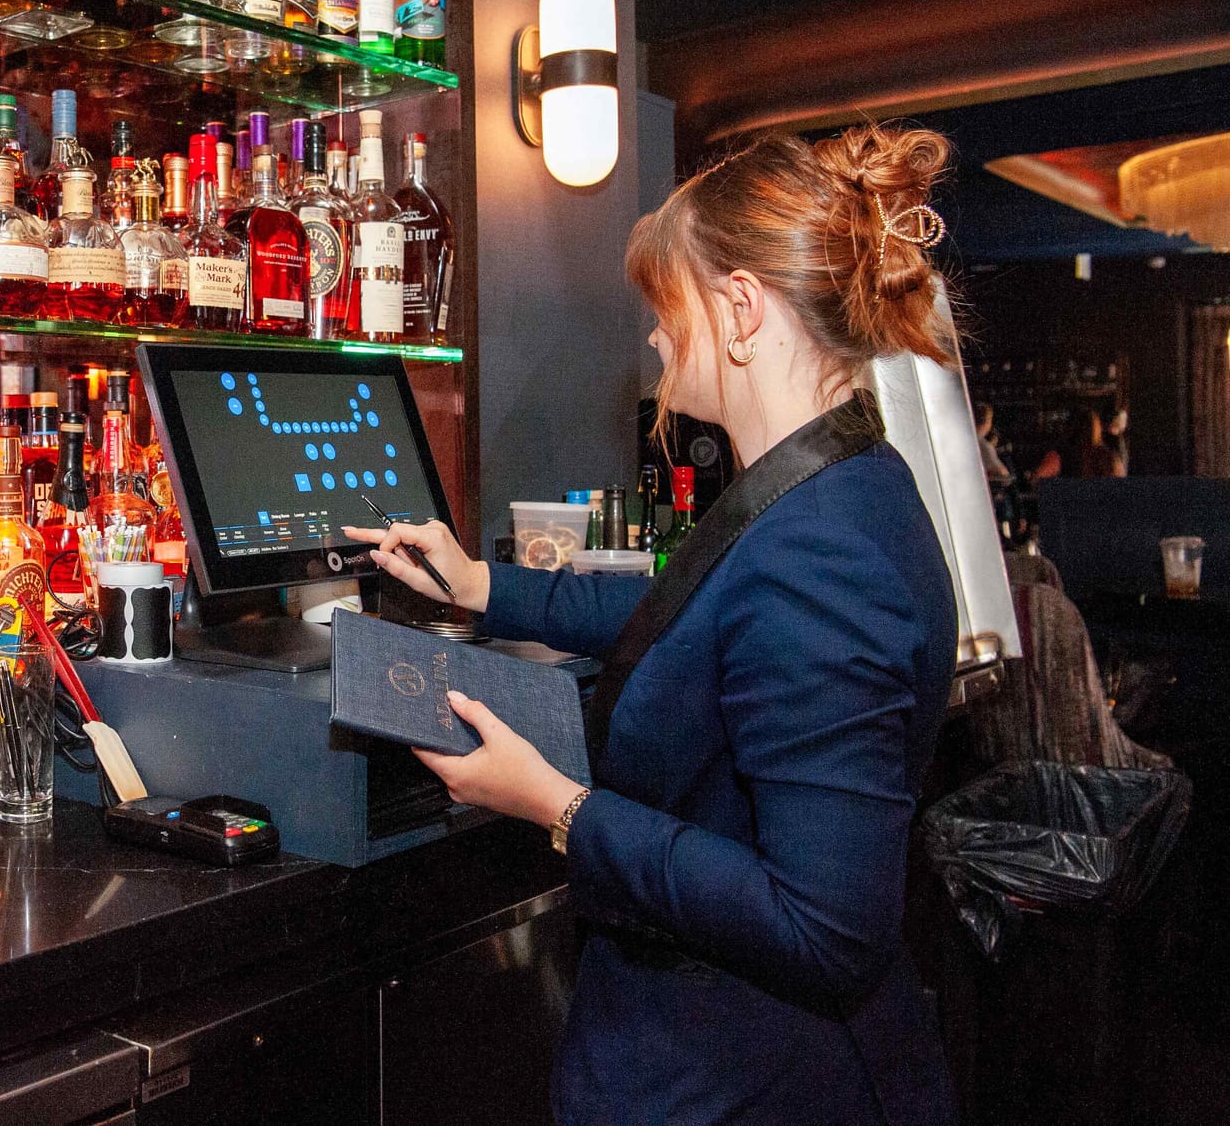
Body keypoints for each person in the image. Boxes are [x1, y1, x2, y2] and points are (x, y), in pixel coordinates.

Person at [346, 124, 960, 1126]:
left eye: (664, 307)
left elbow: (821, 927)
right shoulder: (828, 486)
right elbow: (691, 613)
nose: (654, 337)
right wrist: (480, 586)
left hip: (746, 1075)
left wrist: (559, 806)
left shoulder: (822, 549)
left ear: (738, 308)